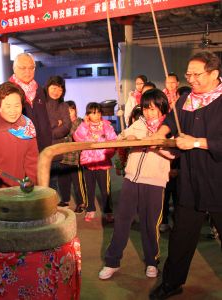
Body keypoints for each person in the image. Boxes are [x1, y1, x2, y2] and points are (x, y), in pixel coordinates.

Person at [149, 51, 222, 299]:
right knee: (181, 237)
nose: (190, 79)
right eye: (188, 74)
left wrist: (197, 142)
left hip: (218, 181)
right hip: (190, 182)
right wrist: (162, 132)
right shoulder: (186, 100)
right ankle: (172, 282)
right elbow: (172, 117)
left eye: (196, 74)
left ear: (214, 73)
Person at [99, 89, 175, 280]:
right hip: (131, 178)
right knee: (122, 220)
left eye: (153, 108)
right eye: (146, 109)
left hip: (155, 180)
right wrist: (127, 139)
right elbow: (120, 138)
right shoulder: (138, 124)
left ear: (162, 107)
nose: (149, 113)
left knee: (150, 224)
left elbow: (176, 154)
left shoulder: (170, 126)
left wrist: (157, 145)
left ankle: (151, 262)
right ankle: (112, 262)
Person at [73, 102, 117, 222]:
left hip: (102, 162)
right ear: (88, 115)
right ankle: (90, 209)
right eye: (93, 113)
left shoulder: (107, 125)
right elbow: (77, 138)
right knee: (89, 188)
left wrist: (106, 154)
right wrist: (84, 125)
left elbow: (113, 142)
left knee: (105, 189)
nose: (96, 115)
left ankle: (108, 211)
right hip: (88, 162)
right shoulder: (83, 125)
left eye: (98, 112)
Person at [9, 53, 52, 152]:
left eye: (31, 68)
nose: (27, 72)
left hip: (42, 146)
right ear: (14, 68)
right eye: (23, 68)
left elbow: (45, 118)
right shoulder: (7, 90)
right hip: (18, 147)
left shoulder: (39, 90)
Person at [58, 100, 87, 213]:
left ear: (75, 110)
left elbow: (71, 135)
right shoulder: (62, 123)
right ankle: (65, 200)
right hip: (63, 157)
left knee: (78, 182)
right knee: (63, 180)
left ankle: (81, 203)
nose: (69, 112)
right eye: (66, 110)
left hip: (76, 158)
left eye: (71, 109)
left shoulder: (80, 122)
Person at [44, 75, 71, 193]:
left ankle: (50, 209)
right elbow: (40, 124)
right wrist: (56, 122)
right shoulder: (40, 104)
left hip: (56, 151)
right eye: (54, 88)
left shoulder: (63, 106)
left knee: (53, 184)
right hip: (40, 149)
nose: (57, 92)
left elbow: (66, 127)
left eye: (60, 89)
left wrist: (48, 132)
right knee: (40, 183)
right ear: (48, 87)